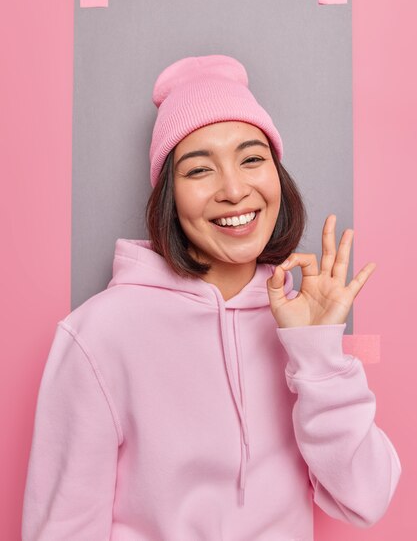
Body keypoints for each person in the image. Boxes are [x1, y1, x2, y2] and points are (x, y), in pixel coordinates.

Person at [21, 54, 401, 540]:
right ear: (169, 198)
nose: (234, 189)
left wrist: (319, 354)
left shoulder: (297, 318)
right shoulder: (99, 334)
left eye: (252, 159)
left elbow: (365, 500)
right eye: (200, 171)